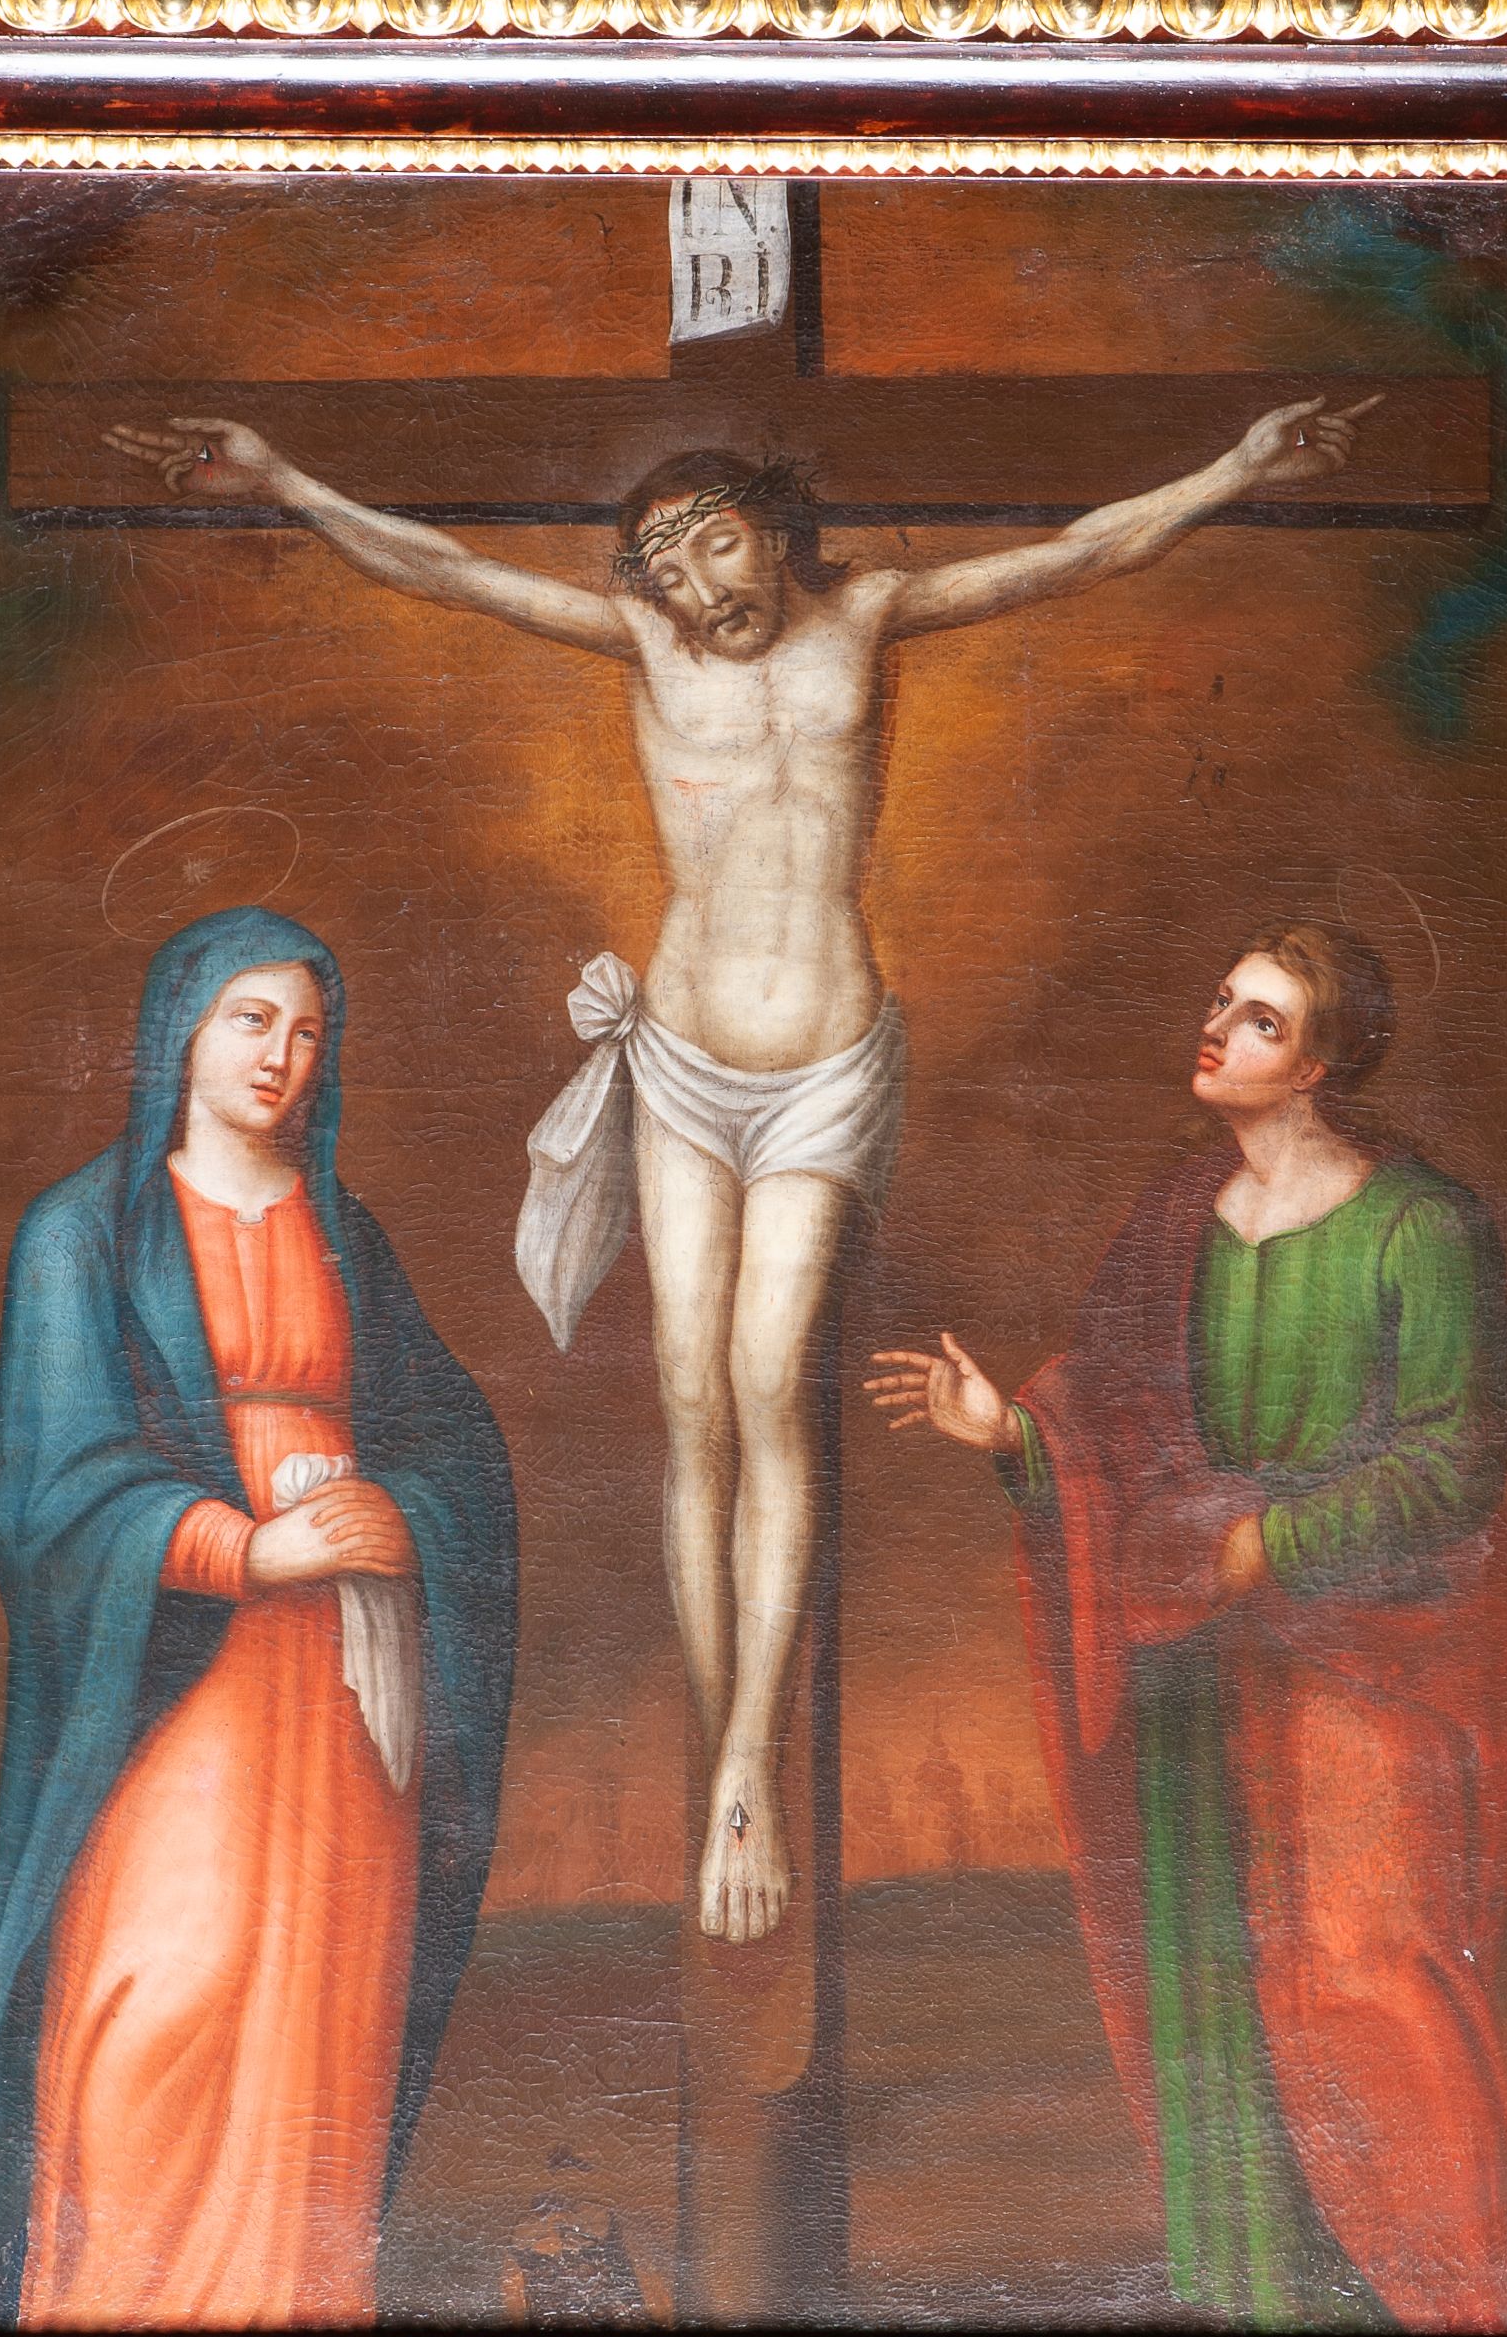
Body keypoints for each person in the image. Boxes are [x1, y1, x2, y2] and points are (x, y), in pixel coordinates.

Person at [107, 400, 1374, 1945]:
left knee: (768, 1382)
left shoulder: (872, 615)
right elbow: (441, 567)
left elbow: (1074, 553)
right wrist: (283, 477)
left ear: (771, 530)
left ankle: (749, 1763)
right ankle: (731, 1766)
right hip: (684, 1062)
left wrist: (1236, 464)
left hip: (824, 1069)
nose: (695, 583)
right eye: (661, 565)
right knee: (688, 1399)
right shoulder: (646, 648)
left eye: (713, 541)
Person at [866, 922, 1507, 2337]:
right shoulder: (1179, 1215)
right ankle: (1267, 2331)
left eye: (1258, 1019)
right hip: (1194, 1669)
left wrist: (1268, 1545)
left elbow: (1452, 1466)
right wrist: (1011, 1433)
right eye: (1222, 1000)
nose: (1218, 1027)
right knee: (1212, 2002)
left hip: (1362, 1664)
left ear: (1316, 1065)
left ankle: (1468, 2331)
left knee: (1366, 1983)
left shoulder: (1419, 1227)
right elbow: (1109, 1416)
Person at [0, 907, 517, 2337]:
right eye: (252, 1019)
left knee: (318, 2026)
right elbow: (52, 1494)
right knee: (160, 2005)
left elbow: (457, 1444)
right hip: (186, 1669)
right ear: (182, 1031)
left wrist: (403, 1513)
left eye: (310, 1032)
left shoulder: (346, 1233)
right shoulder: (85, 1231)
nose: (283, 1055)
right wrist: (243, 1548)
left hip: (344, 1690)